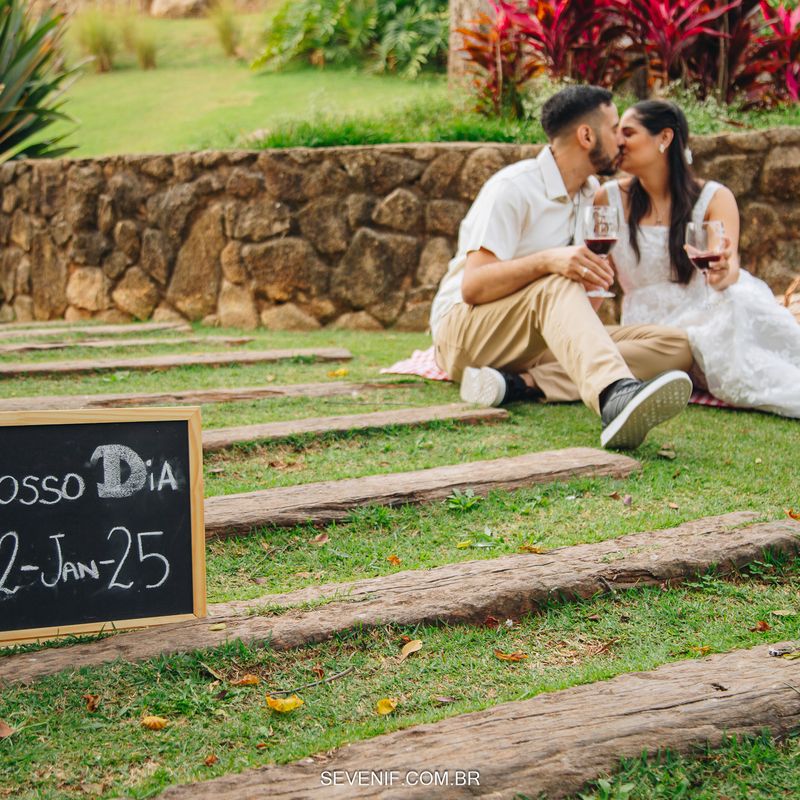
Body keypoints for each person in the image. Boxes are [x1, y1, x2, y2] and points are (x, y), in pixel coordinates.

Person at [429, 85, 694, 449]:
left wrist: (593, 282)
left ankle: (518, 385)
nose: (621, 139)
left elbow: (579, 306)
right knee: (556, 280)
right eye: (614, 128)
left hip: (530, 343)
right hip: (463, 334)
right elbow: (472, 286)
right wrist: (550, 260)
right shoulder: (513, 188)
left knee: (675, 345)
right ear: (586, 136)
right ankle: (614, 395)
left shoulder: (590, 196)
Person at [594, 99, 800, 418]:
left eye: (629, 133)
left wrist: (721, 271)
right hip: (648, 331)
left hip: (702, 318)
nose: (618, 141)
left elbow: (727, 267)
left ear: (664, 138)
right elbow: (595, 276)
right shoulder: (607, 198)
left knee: (738, 304)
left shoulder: (714, 197)